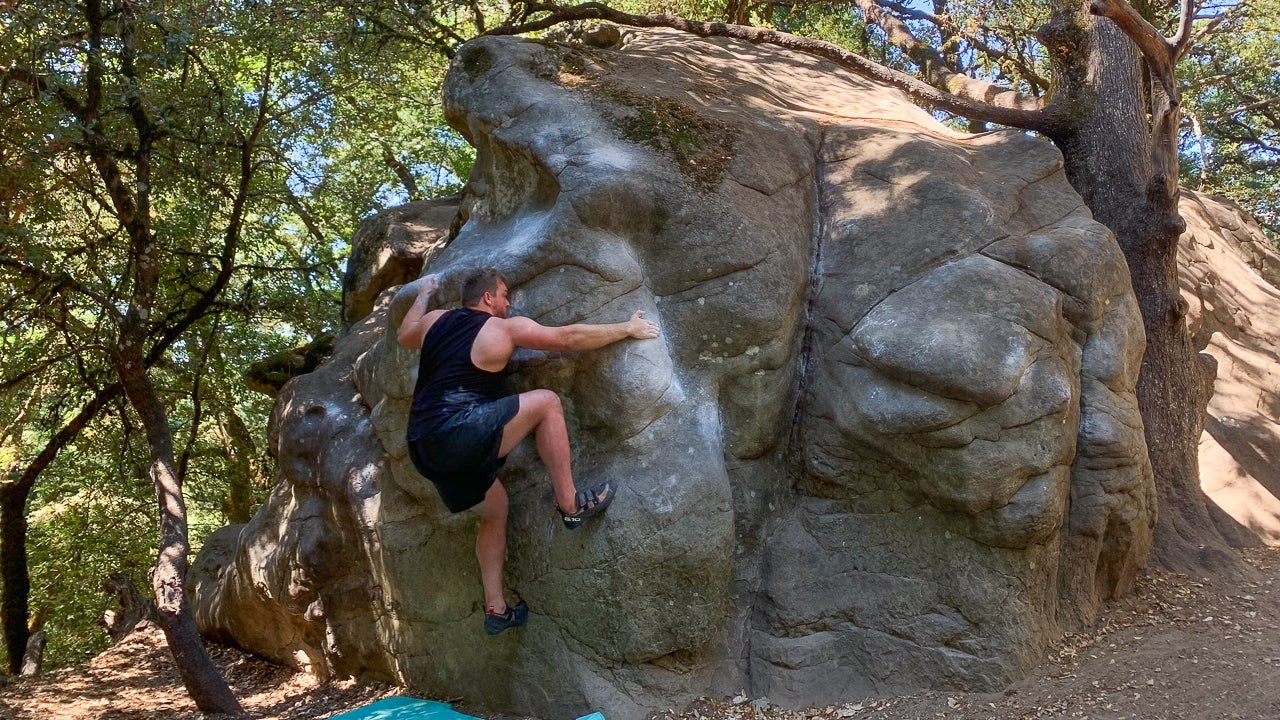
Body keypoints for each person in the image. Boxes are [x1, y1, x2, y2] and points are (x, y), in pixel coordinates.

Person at [397, 268, 661, 635]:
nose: (509, 302)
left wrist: (424, 293)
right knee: (547, 402)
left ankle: (496, 608)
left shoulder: (434, 321)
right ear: (488, 297)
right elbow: (567, 339)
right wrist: (625, 329)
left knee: (495, 510)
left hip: (422, 447)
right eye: (504, 294)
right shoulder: (504, 329)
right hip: (459, 434)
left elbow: (404, 334)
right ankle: (571, 506)